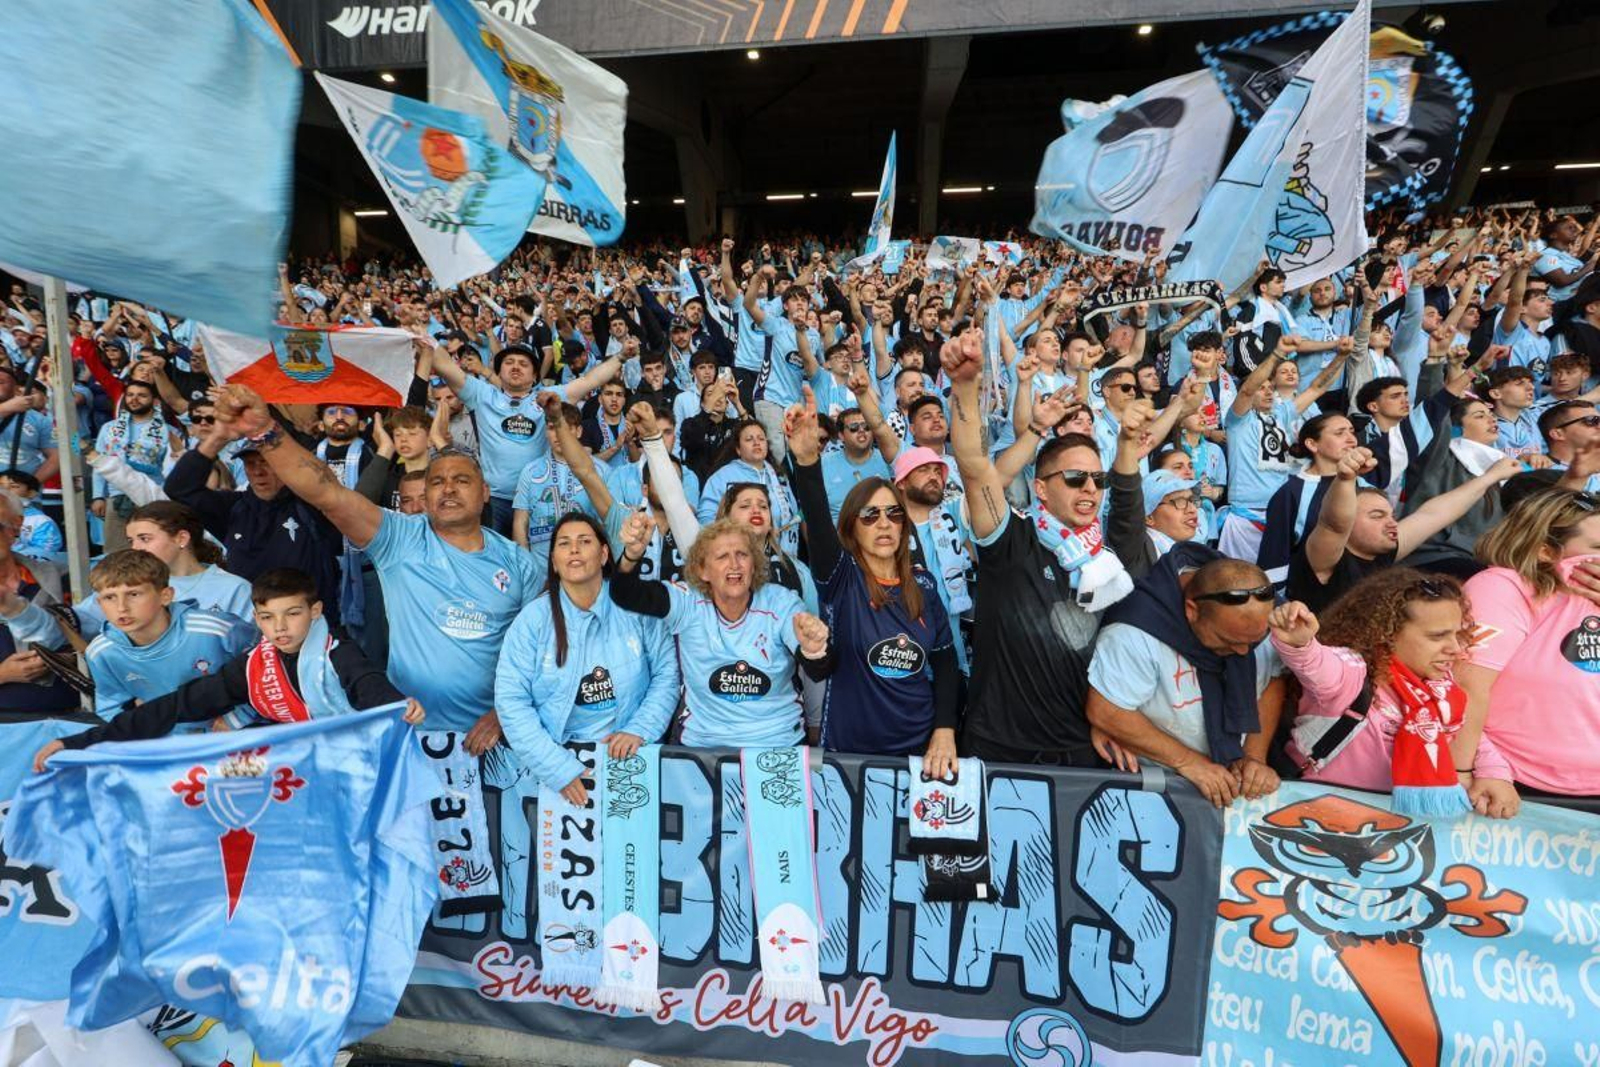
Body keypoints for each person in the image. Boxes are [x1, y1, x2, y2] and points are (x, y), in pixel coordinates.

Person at [207, 383, 538, 749]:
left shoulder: (519, 563)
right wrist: (265, 431)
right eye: (438, 482)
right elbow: (326, 493)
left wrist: (504, 712)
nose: (448, 489)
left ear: (486, 492)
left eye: (462, 480)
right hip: (410, 732)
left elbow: (539, 654)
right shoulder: (399, 537)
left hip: (492, 738)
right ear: (424, 495)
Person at [942, 327, 1150, 765]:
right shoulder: (1011, 538)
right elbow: (975, 467)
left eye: (1098, 479)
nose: (1090, 488)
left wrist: (1113, 720)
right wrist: (964, 388)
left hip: (1082, 748)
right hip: (999, 748)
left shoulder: (1105, 560)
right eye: (1075, 478)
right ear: (1040, 489)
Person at [32, 569, 424, 771]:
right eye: (268, 618)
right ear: (256, 618)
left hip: (352, 767)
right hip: (298, 772)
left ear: (315, 611)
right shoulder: (254, 665)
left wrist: (397, 704)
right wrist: (76, 744)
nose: (280, 628)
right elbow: (174, 707)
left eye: (292, 614)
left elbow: (368, 683)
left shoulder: (338, 653)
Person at [784, 400, 959, 771]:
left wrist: (945, 729)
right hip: (850, 757)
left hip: (920, 753)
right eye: (870, 514)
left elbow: (945, 660)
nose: (884, 523)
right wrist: (806, 461)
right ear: (851, 527)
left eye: (894, 513)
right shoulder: (841, 576)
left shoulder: (924, 585)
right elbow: (816, 518)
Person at [1269, 571, 1515, 816]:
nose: (1455, 648)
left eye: (1458, 634)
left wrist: (1494, 773)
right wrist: (1300, 643)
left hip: (1394, 827)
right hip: (1318, 818)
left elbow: (1465, 730)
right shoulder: (1354, 673)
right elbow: (1316, 663)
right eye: (1438, 636)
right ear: (1387, 634)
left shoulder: (1442, 687)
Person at [494, 513, 679, 801]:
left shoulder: (635, 607)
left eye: (584, 541)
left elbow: (666, 673)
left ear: (605, 554)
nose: (575, 550)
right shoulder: (532, 620)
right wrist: (557, 768)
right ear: (554, 561)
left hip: (630, 757)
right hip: (557, 765)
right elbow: (510, 700)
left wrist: (640, 730)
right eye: (564, 544)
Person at [610, 515, 834, 748]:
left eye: (742, 554)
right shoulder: (688, 602)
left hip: (777, 742)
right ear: (703, 570)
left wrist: (814, 650)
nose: (734, 564)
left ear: (754, 564)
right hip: (702, 745)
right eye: (722, 557)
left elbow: (820, 670)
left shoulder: (780, 602)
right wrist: (631, 556)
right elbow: (625, 594)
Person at [1087, 551, 1285, 807]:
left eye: (1253, 641)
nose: (1243, 652)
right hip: (1155, 789)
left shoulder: (1263, 611)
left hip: (1231, 789)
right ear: (1192, 610)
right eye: (1229, 641)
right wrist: (1187, 762)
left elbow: (1273, 678)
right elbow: (1107, 710)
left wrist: (1254, 758)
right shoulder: (1135, 631)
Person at [1456, 489, 1600, 802]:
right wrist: (1471, 769)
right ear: (1547, 551)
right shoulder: (1501, 588)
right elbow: (1463, 688)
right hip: (1514, 786)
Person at [1286, 446, 1523, 613]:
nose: (1391, 522)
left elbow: (1435, 513)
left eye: (1391, 514)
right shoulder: (1324, 559)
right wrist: (1345, 479)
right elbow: (1333, 523)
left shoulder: (1382, 552)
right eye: (1376, 516)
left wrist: (1492, 476)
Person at [428, 339, 623, 535]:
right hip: (494, 499)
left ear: (535, 375)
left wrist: (621, 357)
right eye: (509, 362)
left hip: (537, 498)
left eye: (523, 364)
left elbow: (590, 381)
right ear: (499, 370)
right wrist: (423, 337)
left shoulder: (548, 398)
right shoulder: (482, 394)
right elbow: (445, 367)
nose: (515, 367)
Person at [165, 416, 344, 620]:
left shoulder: (310, 504)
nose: (258, 472)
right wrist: (218, 437)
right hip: (250, 627)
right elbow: (179, 489)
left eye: (266, 463)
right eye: (250, 464)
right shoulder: (232, 507)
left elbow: (327, 484)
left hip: (311, 625)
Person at [79, 549, 255, 723]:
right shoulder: (100, 651)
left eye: (133, 594)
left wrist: (238, 719)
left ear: (165, 596)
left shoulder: (218, 631)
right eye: (109, 597)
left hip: (233, 735)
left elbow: (269, 673)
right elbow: (112, 710)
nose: (121, 607)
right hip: (162, 742)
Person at [125, 501, 254, 623]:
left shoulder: (234, 588)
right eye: (131, 541)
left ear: (181, 538)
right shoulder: (130, 586)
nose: (135, 548)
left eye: (145, 539)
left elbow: (255, 642)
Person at [696, 419, 801, 555]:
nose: (756, 442)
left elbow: (792, 517)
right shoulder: (721, 477)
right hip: (738, 558)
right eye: (749, 439)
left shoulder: (780, 478)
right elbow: (707, 520)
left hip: (781, 559)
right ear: (738, 449)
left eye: (761, 439)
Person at [92, 379, 168, 551]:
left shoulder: (166, 431)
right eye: (130, 395)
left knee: (152, 550)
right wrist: (98, 496)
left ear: (155, 400)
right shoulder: (109, 428)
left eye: (142, 396)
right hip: (117, 496)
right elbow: (99, 464)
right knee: (115, 552)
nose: (135, 399)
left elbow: (170, 468)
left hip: (151, 497)